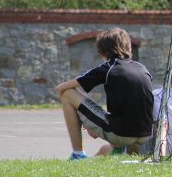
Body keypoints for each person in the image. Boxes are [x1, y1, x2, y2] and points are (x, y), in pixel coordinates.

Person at [54, 27, 154, 160]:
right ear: (128, 47)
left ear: (102, 50)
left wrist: (84, 119)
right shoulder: (142, 68)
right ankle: (128, 155)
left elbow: (61, 89)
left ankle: (77, 154)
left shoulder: (107, 69)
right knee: (129, 121)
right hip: (145, 134)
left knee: (68, 94)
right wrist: (92, 120)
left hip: (121, 134)